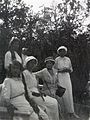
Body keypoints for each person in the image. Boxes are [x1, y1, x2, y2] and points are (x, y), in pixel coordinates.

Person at [23, 56, 60, 120]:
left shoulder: (32, 74)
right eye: (31, 63)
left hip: (37, 93)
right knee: (50, 104)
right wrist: (35, 94)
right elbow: (25, 88)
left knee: (54, 102)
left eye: (34, 63)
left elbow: (36, 86)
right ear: (27, 64)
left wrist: (40, 92)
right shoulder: (24, 73)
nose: (32, 65)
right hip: (31, 95)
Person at [54, 46, 79, 119]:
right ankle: (61, 112)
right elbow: (54, 70)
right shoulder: (57, 59)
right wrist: (61, 71)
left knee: (68, 93)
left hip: (67, 77)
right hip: (60, 77)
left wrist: (67, 69)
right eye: (61, 51)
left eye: (64, 51)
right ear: (59, 52)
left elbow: (71, 69)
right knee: (61, 93)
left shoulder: (68, 59)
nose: (62, 52)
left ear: (65, 52)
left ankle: (71, 112)